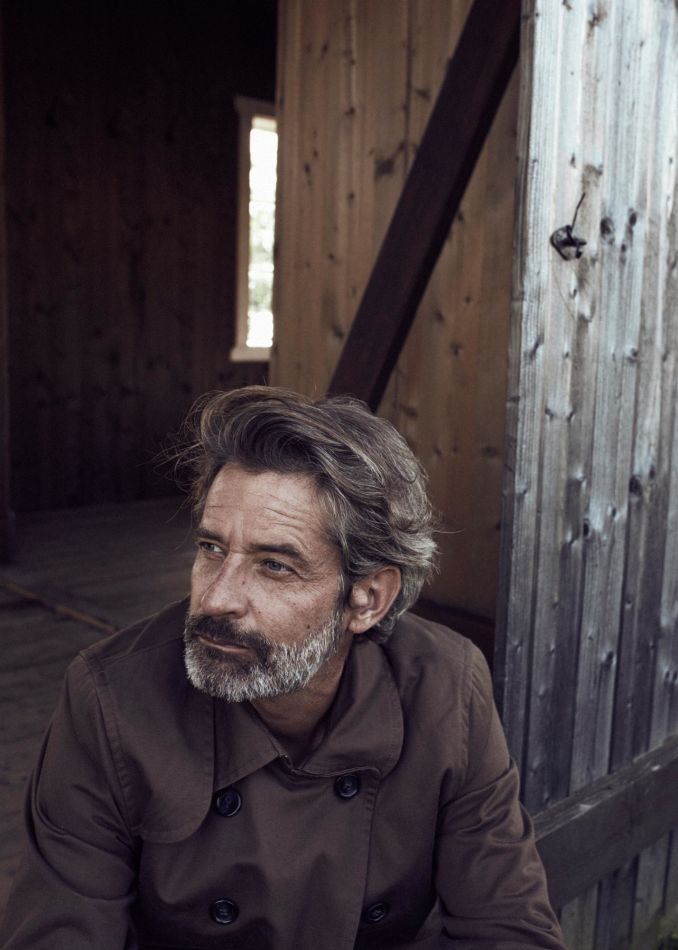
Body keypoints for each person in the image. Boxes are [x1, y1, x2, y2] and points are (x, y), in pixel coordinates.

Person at [1, 386, 566, 949]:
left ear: (368, 599)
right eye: (212, 549)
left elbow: (509, 928)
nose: (217, 598)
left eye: (274, 565)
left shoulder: (446, 687)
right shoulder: (110, 697)